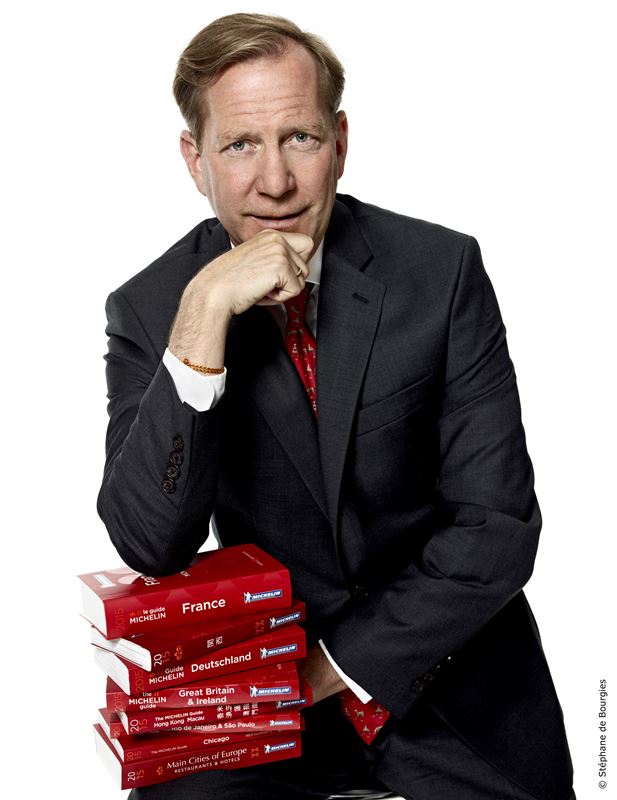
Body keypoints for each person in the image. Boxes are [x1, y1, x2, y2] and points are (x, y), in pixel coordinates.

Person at [97, 13, 575, 800]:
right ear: (194, 160)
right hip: (259, 696)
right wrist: (203, 320)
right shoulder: (153, 310)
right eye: (239, 145)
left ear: (340, 142)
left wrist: (331, 669)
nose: (274, 181)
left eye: (300, 138)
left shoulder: (440, 271)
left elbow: (495, 526)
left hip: (450, 685)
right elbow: (152, 543)